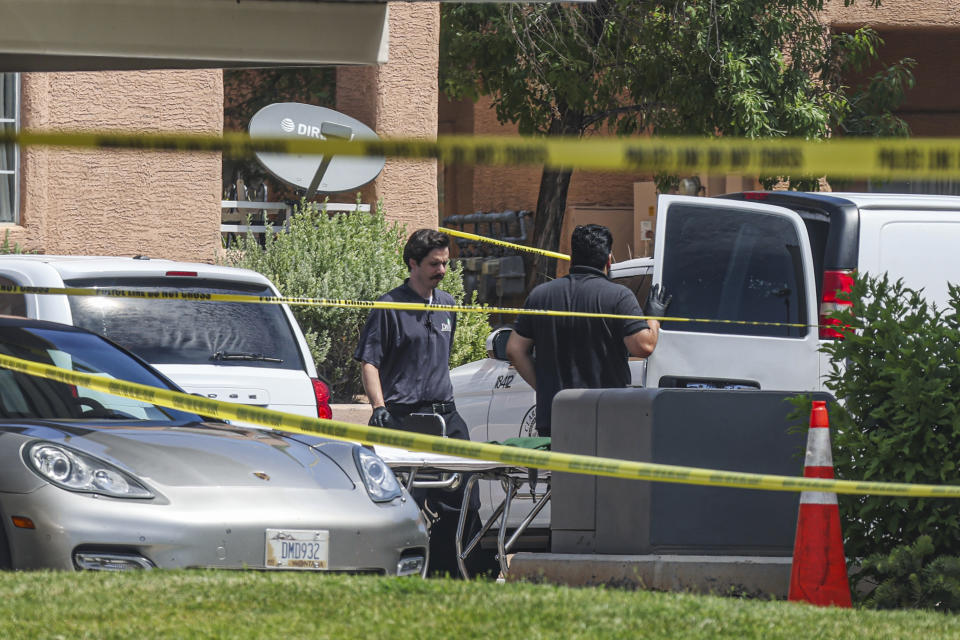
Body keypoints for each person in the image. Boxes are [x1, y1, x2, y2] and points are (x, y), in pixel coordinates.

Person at [354, 228, 485, 576]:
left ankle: (457, 571)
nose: (441, 271)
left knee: (465, 496)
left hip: (445, 416)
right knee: (394, 499)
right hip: (401, 416)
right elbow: (370, 362)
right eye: (433, 264)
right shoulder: (389, 306)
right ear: (413, 263)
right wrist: (378, 407)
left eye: (445, 263)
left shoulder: (447, 305)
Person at [505, 224, 671, 436]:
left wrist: (546, 388)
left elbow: (514, 350)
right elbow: (644, 346)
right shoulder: (619, 297)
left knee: (563, 471)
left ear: (572, 258)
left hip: (557, 416)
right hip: (604, 418)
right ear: (609, 259)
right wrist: (654, 318)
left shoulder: (540, 296)